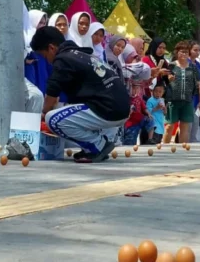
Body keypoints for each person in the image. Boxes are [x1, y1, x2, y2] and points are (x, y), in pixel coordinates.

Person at [35, 27, 130, 163]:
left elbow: (52, 93)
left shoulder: (63, 59)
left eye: (45, 57)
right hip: (120, 109)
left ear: (51, 48)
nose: (48, 61)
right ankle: (92, 147)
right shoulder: (81, 55)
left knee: (53, 119)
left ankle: (98, 145)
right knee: (69, 112)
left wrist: (43, 113)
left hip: (108, 109)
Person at [163, 41, 200, 144]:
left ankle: (182, 151)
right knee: (169, 126)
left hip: (187, 100)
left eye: (186, 52)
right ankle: (163, 149)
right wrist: (169, 78)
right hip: (173, 100)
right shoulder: (171, 66)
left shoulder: (193, 67)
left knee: (185, 127)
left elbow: (199, 84)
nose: (184, 54)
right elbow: (164, 80)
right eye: (182, 52)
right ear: (177, 52)